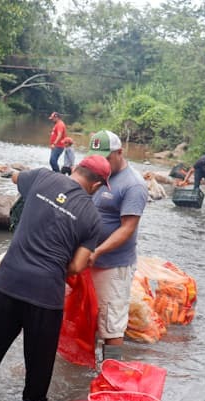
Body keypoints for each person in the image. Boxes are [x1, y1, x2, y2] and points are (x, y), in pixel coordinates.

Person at [0, 155, 111, 401]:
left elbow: (15, 177)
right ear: (97, 185)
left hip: (8, 282)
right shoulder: (92, 216)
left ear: (77, 169)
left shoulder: (42, 177)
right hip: (46, 296)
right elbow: (77, 266)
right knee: (39, 367)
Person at [86, 130, 149, 358]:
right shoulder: (96, 174)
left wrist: (98, 251)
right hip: (88, 258)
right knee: (85, 314)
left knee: (111, 321)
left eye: (106, 157)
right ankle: (82, 368)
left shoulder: (133, 185)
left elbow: (127, 228)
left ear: (120, 153)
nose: (101, 162)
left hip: (112, 265)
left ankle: (111, 374)